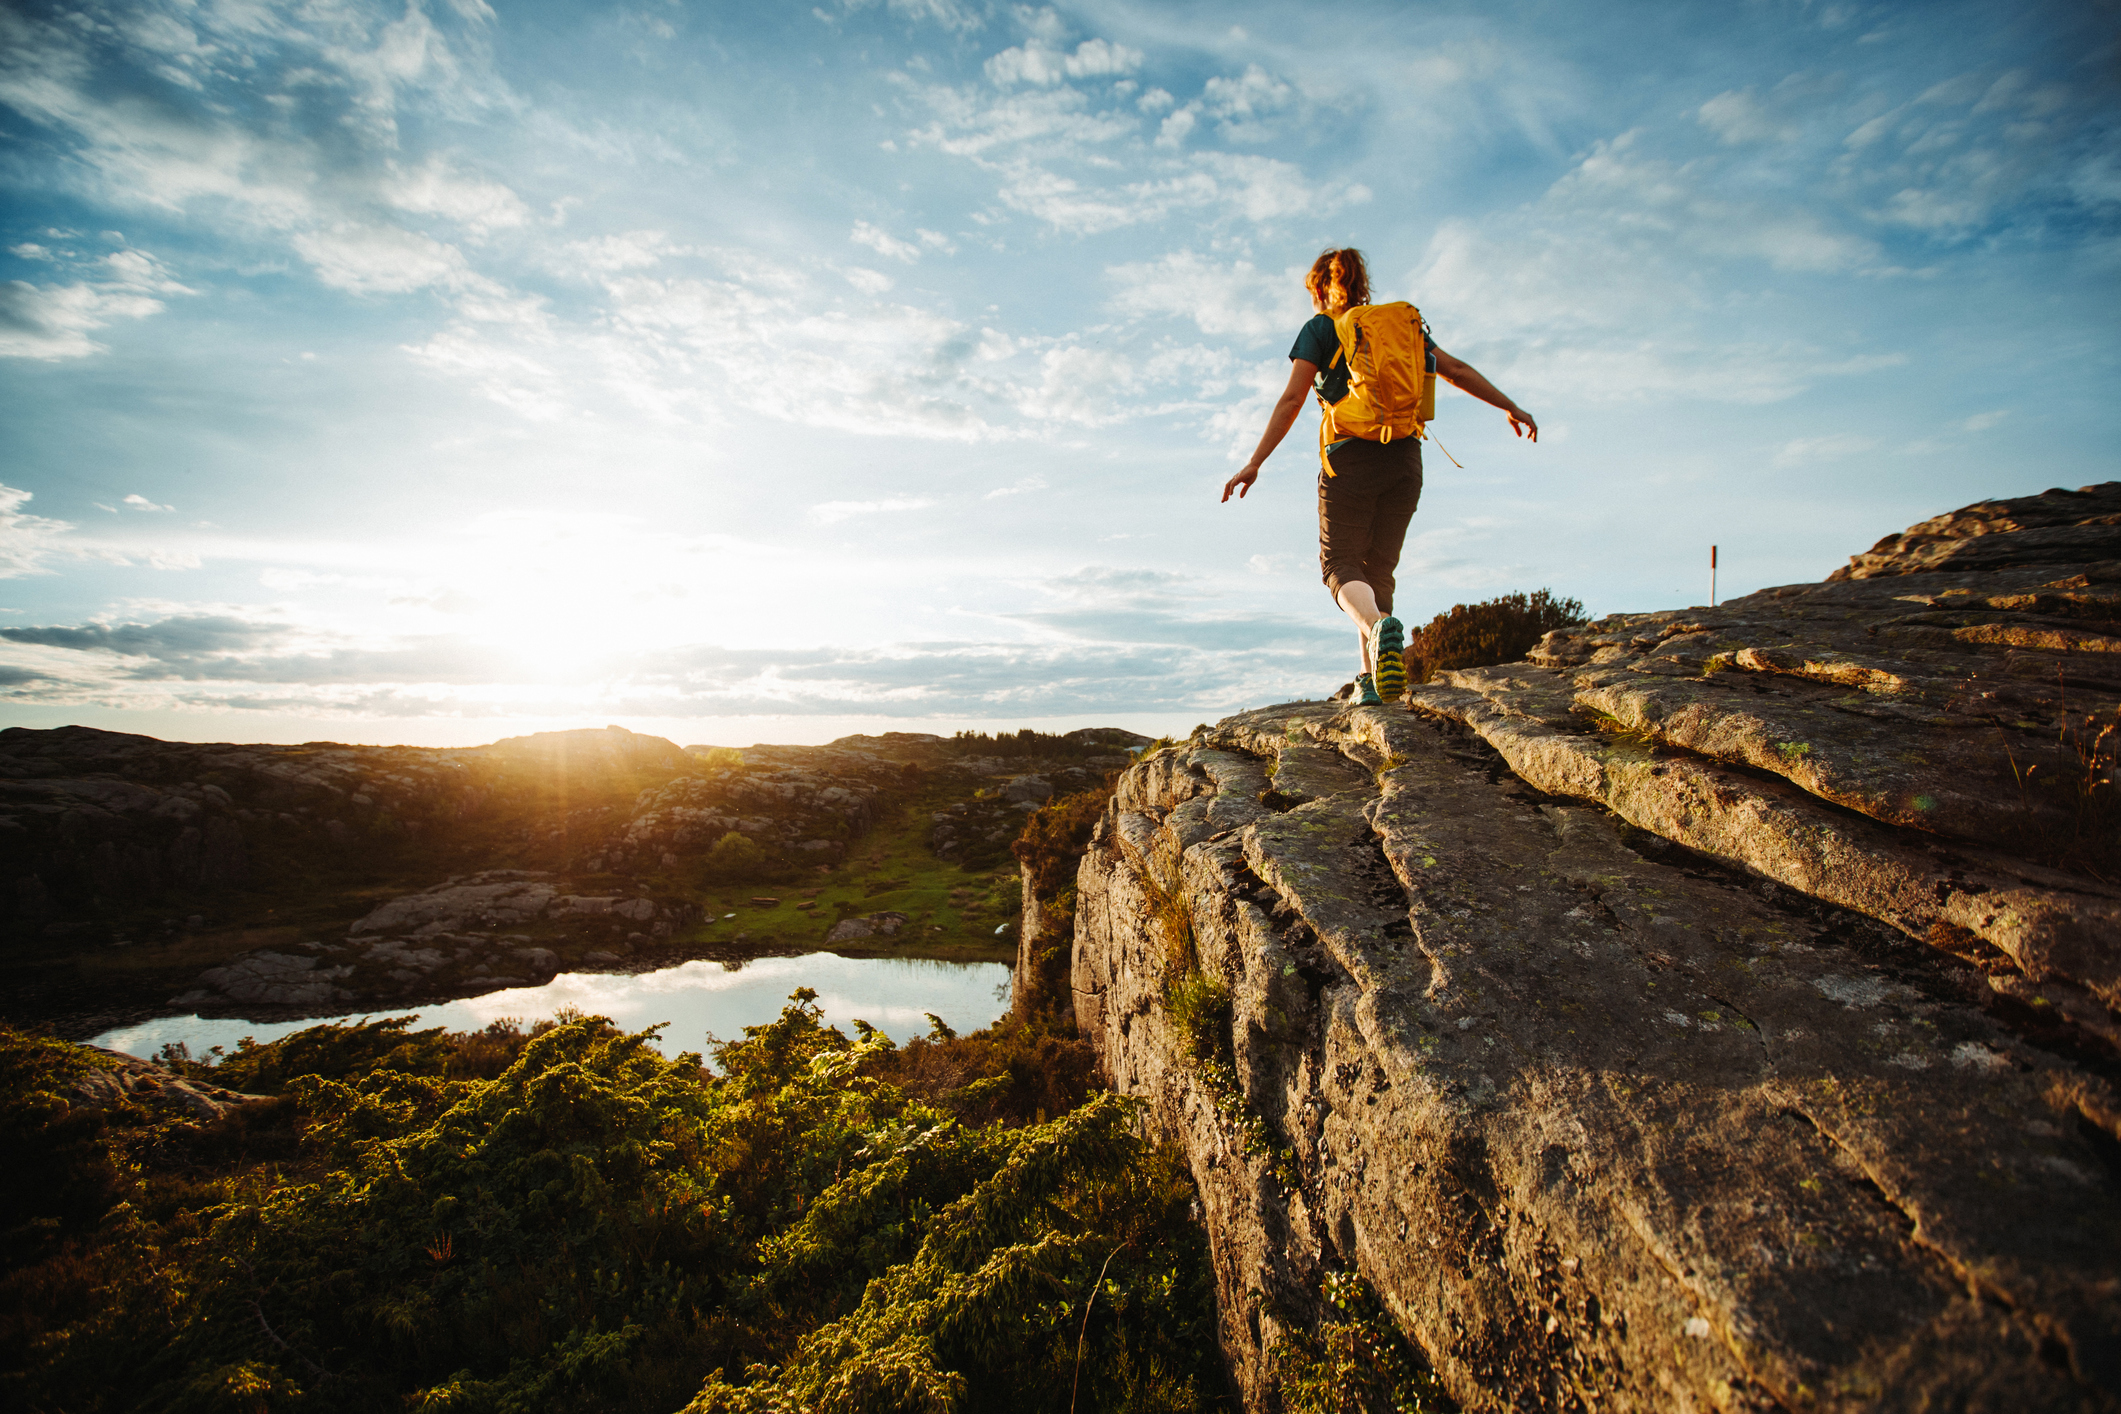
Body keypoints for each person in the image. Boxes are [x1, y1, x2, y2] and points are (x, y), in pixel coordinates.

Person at [1221, 247, 1537, 705]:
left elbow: (1292, 400)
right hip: (1405, 460)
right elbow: (1457, 370)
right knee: (1377, 571)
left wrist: (1255, 461)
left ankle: (1374, 630)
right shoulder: (1401, 328)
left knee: (1340, 566)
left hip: (1350, 458)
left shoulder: (1321, 328)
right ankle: (1370, 682)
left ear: (1318, 288)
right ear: (1362, 282)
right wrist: (1511, 405)